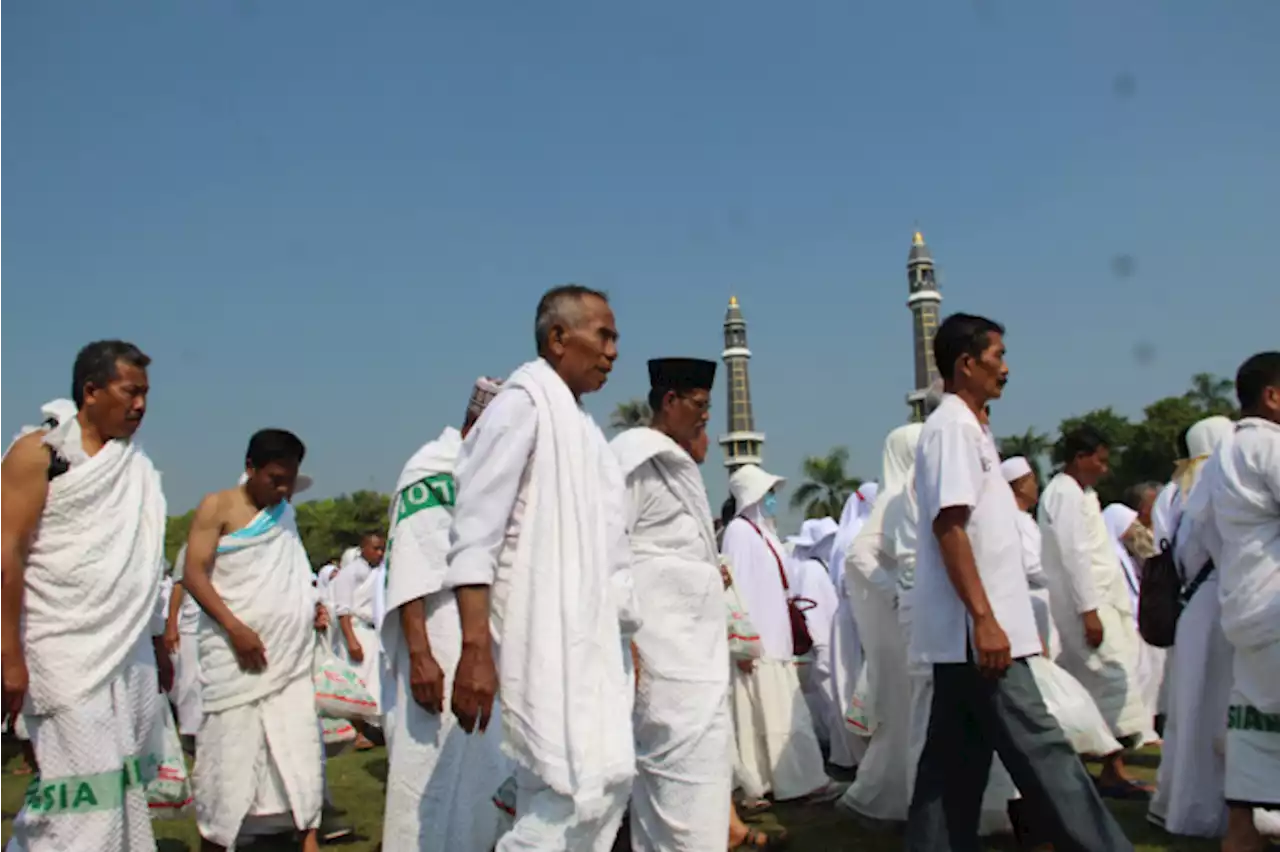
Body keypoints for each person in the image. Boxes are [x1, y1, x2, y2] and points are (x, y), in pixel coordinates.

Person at [905, 313, 1132, 852]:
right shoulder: (954, 428)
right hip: (978, 632)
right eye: (996, 357)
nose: (1005, 369)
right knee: (1047, 752)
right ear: (966, 364)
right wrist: (985, 619)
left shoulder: (972, 427)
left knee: (951, 771)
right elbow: (950, 526)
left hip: (978, 630)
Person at [444, 285, 639, 851]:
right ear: (558, 338)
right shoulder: (522, 406)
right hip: (540, 640)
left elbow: (608, 549)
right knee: (561, 793)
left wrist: (623, 640)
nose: (613, 352)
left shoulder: (583, 430)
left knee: (600, 787)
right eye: (603, 335)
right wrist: (475, 647)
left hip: (588, 644)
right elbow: (474, 534)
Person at [0, 341, 169, 851]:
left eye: (145, 394)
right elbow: (7, 555)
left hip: (129, 654)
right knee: (80, 802)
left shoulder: (134, 466)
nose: (140, 405)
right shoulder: (40, 454)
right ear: (91, 391)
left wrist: (159, 648)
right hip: (64, 653)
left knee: (117, 793)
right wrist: (8, 653)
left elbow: (143, 570)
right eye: (130, 392)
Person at [380, 377, 512, 852]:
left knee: (485, 766)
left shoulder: (488, 474)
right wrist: (421, 655)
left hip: (487, 641)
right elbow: (411, 568)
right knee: (432, 765)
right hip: (440, 641)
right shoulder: (431, 468)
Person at [612, 357, 737, 852]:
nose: (706, 416)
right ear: (670, 401)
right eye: (700, 406)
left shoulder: (675, 463)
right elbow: (613, 551)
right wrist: (626, 639)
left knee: (704, 772)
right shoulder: (634, 458)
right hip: (662, 655)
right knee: (669, 771)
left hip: (699, 657)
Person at [181, 429, 327, 852]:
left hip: (289, 663)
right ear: (250, 469)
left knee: (299, 755)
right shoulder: (218, 506)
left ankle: (308, 837)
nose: (283, 489)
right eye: (275, 478)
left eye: (290, 479)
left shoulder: (286, 514)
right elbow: (194, 573)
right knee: (227, 764)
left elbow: (296, 576)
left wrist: (311, 605)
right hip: (236, 661)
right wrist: (235, 628)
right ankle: (217, 840)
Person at [1145, 415, 1257, 838]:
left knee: (1189, 713)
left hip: (1193, 611)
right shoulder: (1218, 490)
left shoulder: (1178, 497)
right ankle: (1217, 813)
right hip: (1218, 607)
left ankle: (1187, 806)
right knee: (1218, 715)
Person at [721, 464, 844, 803]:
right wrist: (742, 642)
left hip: (776, 643)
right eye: (769, 493)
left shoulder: (764, 534)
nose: (774, 499)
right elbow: (736, 591)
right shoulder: (739, 532)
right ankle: (773, 781)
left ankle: (792, 778)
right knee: (757, 718)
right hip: (757, 643)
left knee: (780, 714)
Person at [1038, 425, 1150, 796]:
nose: (1105, 468)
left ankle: (1104, 767)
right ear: (1080, 458)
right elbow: (1074, 556)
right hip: (1084, 606)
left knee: (1099, 685)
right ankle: (1112, 769)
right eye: (1099, 460)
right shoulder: (1064, 494)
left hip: (1101, 601)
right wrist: (1089, 611)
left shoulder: (1081, 493)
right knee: (1109, 682)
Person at [1201, 352, 1280, 852]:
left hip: (1243, 605)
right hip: (1275, 603)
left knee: (1254, 725)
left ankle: (1242, 835)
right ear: (1273, 397)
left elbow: (1206, 535)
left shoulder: (1222, 456)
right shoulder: (1271, 446)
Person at [838, 423, 922, 826]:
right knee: (905, 711)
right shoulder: (892, 499)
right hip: (900, 625)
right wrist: (896, 590)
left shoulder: (912, 498)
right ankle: (882, 796)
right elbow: (859, 555)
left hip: (911, 622)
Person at [786, 518, 840, 753]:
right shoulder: (811, 569)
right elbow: (811, 610)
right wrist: (821, 645)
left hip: (826, 643)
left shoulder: (819, 568)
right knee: (823, 699)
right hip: (820, 645)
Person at [332, 532, 387, 749]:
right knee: (358, 683)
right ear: (363, 548)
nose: (380, 553)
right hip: (358, 632)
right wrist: (351, 640)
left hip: (374, 632)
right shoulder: (350, 573)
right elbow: (343, 609)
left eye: (382, 548)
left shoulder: (379, 572)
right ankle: (360, 733)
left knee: (376, 681)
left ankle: (377, 729)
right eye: (375, 548)